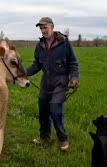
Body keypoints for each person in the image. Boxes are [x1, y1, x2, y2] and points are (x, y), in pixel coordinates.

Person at [26, 17, 79, 151]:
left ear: (52, 27)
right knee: (43, 111)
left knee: (55, 111)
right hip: (46, 82)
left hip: (60, 82)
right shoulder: (40, 45)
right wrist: (23, 73)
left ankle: (63, 139)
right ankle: (44, 137)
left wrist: (73, 78)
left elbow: (73, 63)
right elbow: (37, 65)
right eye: (41, 28)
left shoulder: (64, 43)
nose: (43, 30)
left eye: (45, 27)